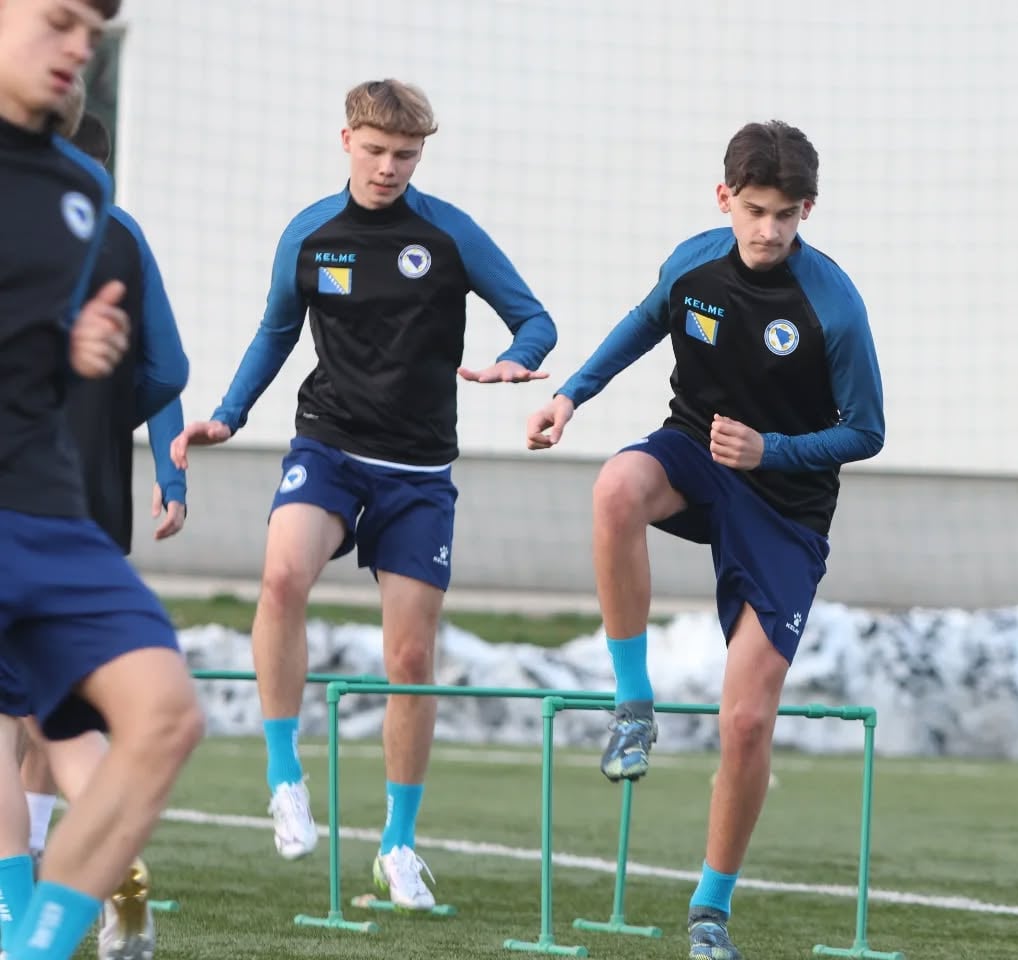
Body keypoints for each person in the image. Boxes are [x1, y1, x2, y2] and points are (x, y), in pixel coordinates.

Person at [171, 78, 557, 911]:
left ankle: (398, 845)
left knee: (410, 660)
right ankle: (284, 778)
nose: (389, 168)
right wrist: (228, 414)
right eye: (376, 150)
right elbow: (276, 332)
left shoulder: (449, 234)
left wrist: (517, 359)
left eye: (406, 155)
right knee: (282, 577)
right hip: (329, 448)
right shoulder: (310, 235)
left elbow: (536, 320)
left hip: (418, 472)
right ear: (346, 140)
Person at [525, 119, 884, 958]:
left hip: (787, 506)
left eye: (786, 215)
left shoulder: (833, 306)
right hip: (696, 451)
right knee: (616, 487)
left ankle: (710, 913)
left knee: (747, 721)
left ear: (808, 210)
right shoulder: (694, 265)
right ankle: (632, 705)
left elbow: (866, 431)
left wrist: (773, 450)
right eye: (754, 211)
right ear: (724, 198)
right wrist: (570, 396)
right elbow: (640, 323)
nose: (768, 231)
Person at [0, 1, 204, 958]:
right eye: (60, 20)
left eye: (94, 30)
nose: (81, 47)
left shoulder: (82, 189)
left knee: (165, 716)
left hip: (47, 509)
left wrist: (73, 350)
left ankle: (31, 948)